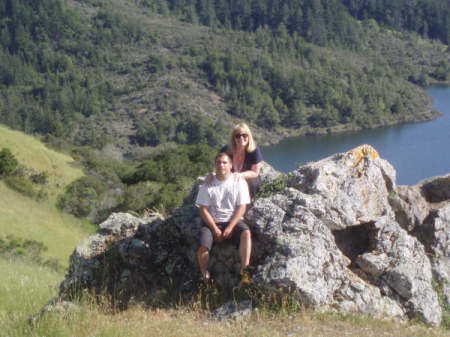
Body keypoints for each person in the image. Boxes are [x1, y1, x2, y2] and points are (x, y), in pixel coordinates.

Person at [196, 152, 252, 282]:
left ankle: (245, 270)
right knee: (203, 246)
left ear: (231, 165)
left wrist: (230, 227)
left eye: (225, 162)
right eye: (218, 163)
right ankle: (204, 274)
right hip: (212, 222)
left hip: (232, 221)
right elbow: (203, 210)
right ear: (215, 165)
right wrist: (215, 229)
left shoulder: (239, 182)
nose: (221, 165)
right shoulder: (207, 184)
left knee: (246, 233)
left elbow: (242, 207)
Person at [208, 122, 263, 197]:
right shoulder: (226, 150)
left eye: (244, 135)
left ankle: (245, 206)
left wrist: (240, 175)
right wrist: (212, 175)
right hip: (230, 178)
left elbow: (255, 172)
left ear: (249, 137)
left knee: (249, 183)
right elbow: (218, 167)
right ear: (233, 138)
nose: (241, 138)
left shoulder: (254, 150)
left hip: (249, 178)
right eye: (237, 136)